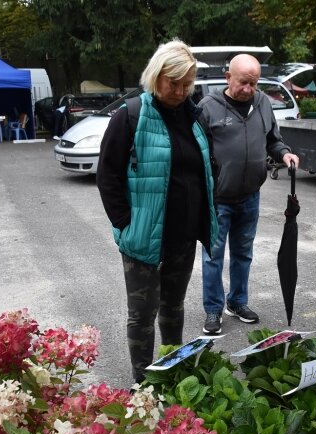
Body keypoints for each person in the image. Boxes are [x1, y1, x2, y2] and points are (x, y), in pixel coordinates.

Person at [96, 39, 218, 383]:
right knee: (142, 314)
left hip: (184, 235)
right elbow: (107, 176)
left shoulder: (195, 117)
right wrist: (125, 224)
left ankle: (172, 371)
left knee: (174, 307)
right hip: (144, 237)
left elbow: (208, 167)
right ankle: (143, 384)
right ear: (156, 77)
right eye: (174, 83)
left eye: (187, 84)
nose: (181, 91)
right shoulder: (131, 116)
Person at [198, 53, 300, 334]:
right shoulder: (207, 107)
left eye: (254, 84)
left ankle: (238, 302)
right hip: (218, 198)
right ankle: (213, 309)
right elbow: (198, 154)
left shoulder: (263, 103)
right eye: (244, 82)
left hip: (250, 196)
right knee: (213, 256)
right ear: (228, 77)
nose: (249, 90)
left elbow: (273, 141)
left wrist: (285, 154)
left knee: (243, 254)